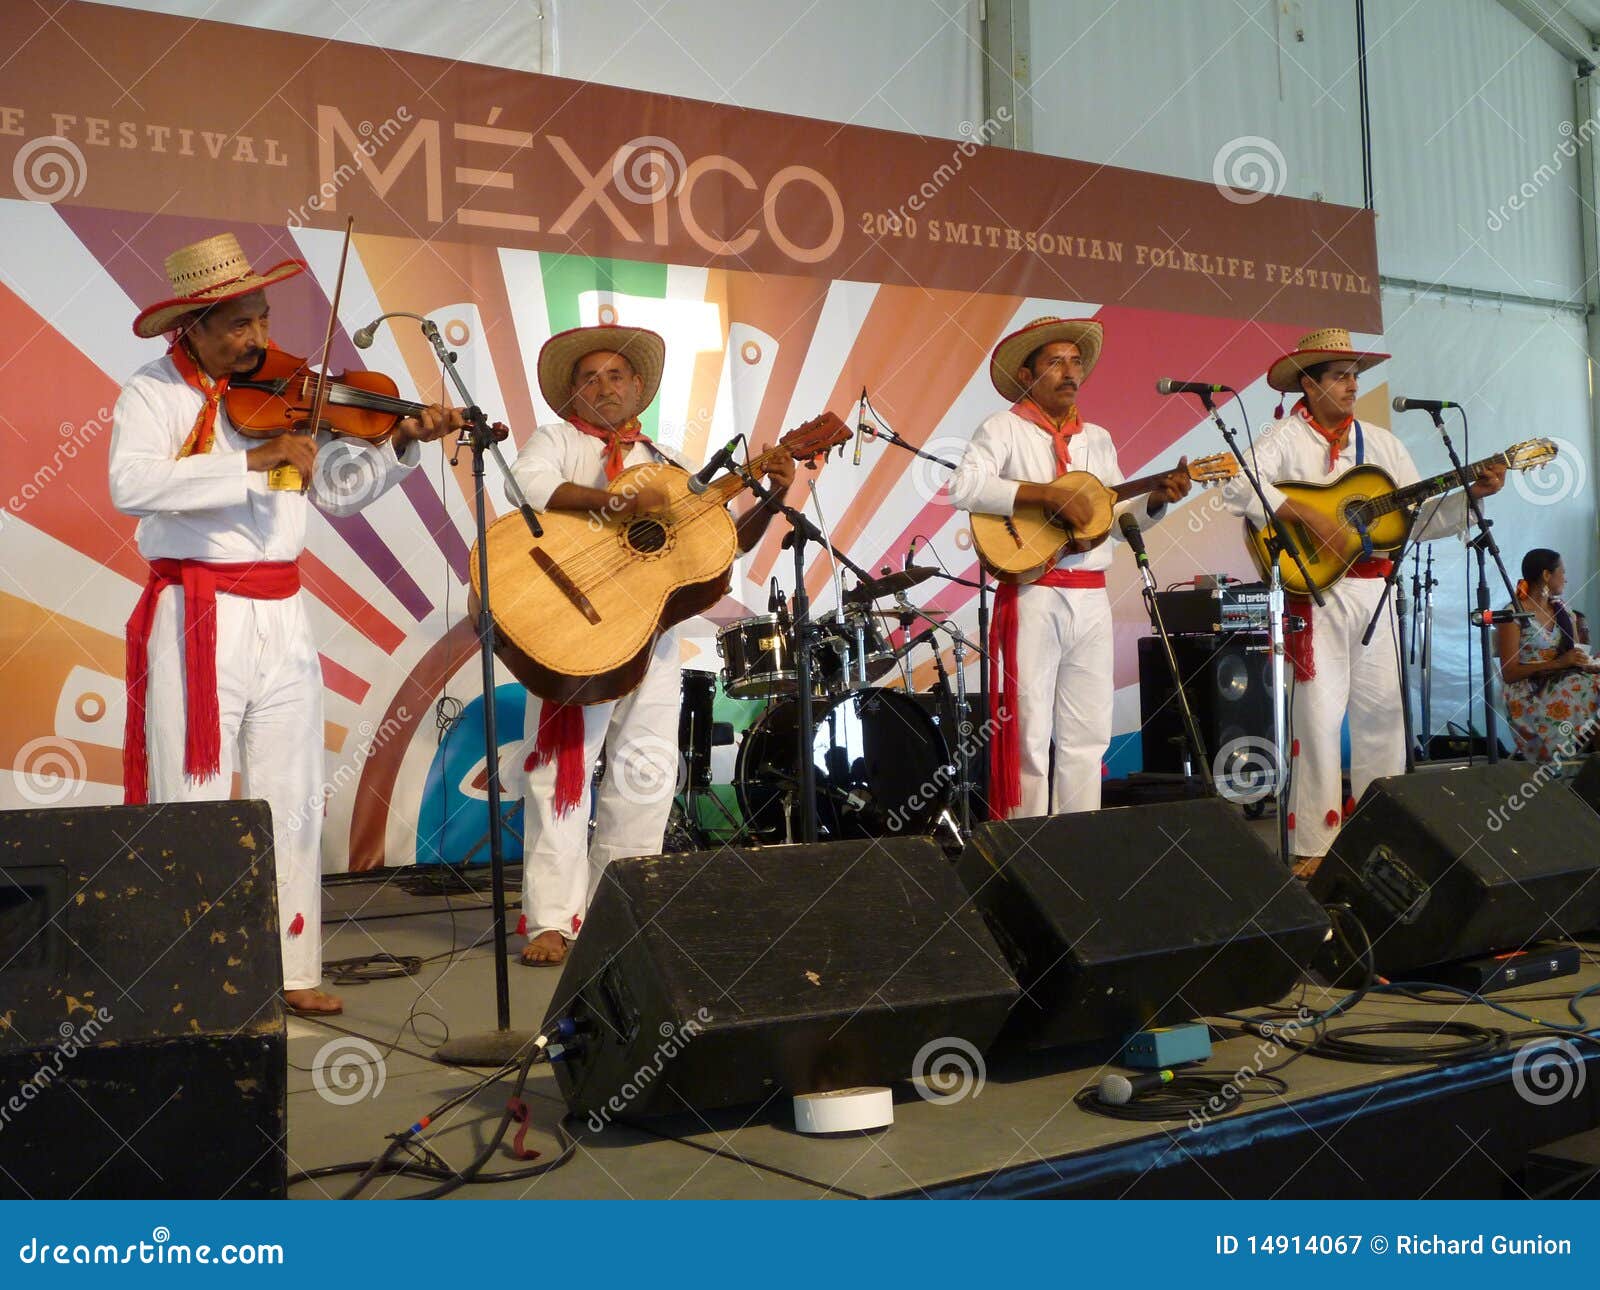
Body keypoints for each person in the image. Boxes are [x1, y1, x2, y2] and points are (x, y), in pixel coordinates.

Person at [110, 233, 469, 1016]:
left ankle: (292, 966)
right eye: (237, 325)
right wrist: (249, 459)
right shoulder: (151, 393)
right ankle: (197, 975)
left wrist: (400, 446)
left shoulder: (287, 391)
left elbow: (333, 491)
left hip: (281, 614)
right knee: (193, 794)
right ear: (194, 327)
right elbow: (130, 483)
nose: (257, 340)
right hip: (195, 612)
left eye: (262, 319)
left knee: (293, 794)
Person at [508, 324, 794, 965]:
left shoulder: (667, 465)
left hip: (656, 639)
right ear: (571, 394)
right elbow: (523, 488)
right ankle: (552, 921)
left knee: (646, 775)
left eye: (616, 376)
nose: (604, 388)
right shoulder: (553, 441)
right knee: (559, 773)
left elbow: (718, 547)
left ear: (638, 387)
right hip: (576, 630)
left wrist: (773, 496)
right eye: (589, 378)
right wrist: (616, 499)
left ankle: (621, 911)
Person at [1222, 328, 1506, 879]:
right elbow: (1236, 483)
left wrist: (1472, 498)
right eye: (1340, 376)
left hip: (1377, 589)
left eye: (1356, 375)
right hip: (1317, 591)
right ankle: (1315, 845)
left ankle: (1384, 835)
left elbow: (1414, 519)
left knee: (1384, 717)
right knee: (1318, 717)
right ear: (1310, 384)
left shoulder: (1381, 444)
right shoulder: (1283, 438)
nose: (1353, 386)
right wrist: (1310, 516)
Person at [949, 316, 1191, 820]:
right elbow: (964, 488)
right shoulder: (1003, 427)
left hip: (1090, 596)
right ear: (1026, 374)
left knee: (1088, 734)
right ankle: (1025, 849)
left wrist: (1156, 500)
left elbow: (1112, 515)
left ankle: (1077, 845)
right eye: (1055, 361)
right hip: (1035, 593)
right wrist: (1045, 494)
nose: (1070, 371)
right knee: (1030, 732)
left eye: (1076, 361)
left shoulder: (1097, 439)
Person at [1499, 549, 1600, 762]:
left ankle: (1592, 766)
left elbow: (1574, 655)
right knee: (1593, 688)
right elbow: (1509, 673)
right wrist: (1559, 663)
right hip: (1529, 692)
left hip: (1565, 680)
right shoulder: (1514, 615)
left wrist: (1590, 663)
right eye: (1562, 572)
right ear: (1546, 575)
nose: (1565, 578)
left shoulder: (1563, 610)